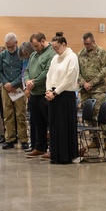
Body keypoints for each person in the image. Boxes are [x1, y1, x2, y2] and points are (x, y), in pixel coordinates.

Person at [45, 33, 80, 164]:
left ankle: (65, 156)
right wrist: (49, 90)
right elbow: (49, 75)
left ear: (64, 45)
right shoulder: (55, 58)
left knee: (64, 127)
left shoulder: (72, 57)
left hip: (65, 96)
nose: (55, 50)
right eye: (53, 48)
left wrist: (56, 92)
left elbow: (69, 78)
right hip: (53, 96)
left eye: (57, 47)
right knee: (54, 127)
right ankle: (55, 155)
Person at [77, 32, 106, 151]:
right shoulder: (80, 54)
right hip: (85, 90)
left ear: (93, 41)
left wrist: (92, 83)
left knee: (101, 115)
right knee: (88, 116)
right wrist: (83, 83)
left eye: (88, 44)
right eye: (85, 44)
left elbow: (105, 70)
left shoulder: (102, 52)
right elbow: (77, 72)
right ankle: (94, 140)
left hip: (98, 90)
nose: (86, 46)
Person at [0, 34, 31, 150]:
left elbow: (23, 71)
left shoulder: (21, 54)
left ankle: (23, 139)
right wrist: (6, 83)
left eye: (11, 46)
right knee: (8, 114)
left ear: (16, 43)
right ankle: (10, 139)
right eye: (7, 46)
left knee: (20, 114)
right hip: (6, 88)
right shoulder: (2, 55)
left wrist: (13, 84)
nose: (9, 48)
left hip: (17, 87)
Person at [24, 32, 55, 159]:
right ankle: (39, 147)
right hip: (34, 93)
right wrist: (27, 81)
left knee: (49, 122)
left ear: (43, 41)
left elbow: (47, 72)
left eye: (36, 46)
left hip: (44, 92)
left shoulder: (51, 53)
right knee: (38, 122)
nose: (35, 49)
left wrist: (34, 82)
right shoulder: (33, 55)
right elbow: (27, 71)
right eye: (34, 46)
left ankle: (52, 148)